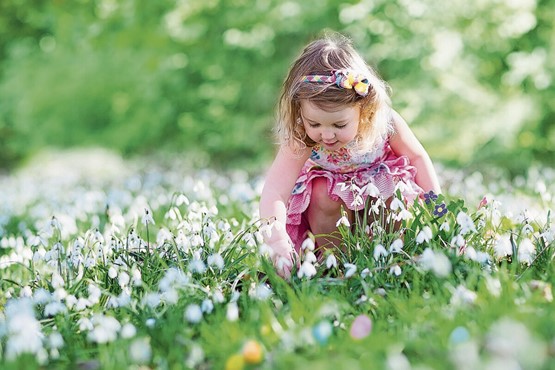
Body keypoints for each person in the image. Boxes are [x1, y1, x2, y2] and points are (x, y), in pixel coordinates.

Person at [259, 32, 441, 279]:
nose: (327, 135)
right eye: (315, 123)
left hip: (377, 200)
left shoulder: (384, 122)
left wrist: (437, 207)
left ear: (363, 109)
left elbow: (417, 157)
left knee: (392, 187)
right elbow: (275, 190)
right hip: (334, 210)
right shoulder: (301, 136)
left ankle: (390, 256)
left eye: (339, 125)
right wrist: (275, 235)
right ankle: (335, 262)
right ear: (299, 110)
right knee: (321, 191)